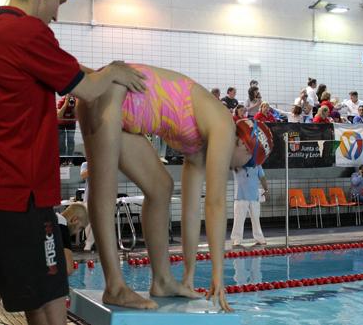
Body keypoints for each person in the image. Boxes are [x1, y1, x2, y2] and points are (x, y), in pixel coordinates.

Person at [0, 0, 147, 325]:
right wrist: (116, 70)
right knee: (49, 300)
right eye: (57, 1)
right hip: (15, 196)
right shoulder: (28, 32)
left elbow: (61, 71)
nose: (57, 13)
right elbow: (87, 89)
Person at [76, 63, 274, 312]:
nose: (240, 169)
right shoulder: (224, 124)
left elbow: (193, 211)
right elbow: (215, 204)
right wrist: (218, 276)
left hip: (122, 110)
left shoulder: (199, 148)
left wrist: (189, 275)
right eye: (246, 164)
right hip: (111, 92)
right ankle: (115, 286)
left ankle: (163, 281)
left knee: (161, 187)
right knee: (104, 185)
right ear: (246, 147)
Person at [230, 165, 269, 247]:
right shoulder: (237, 163)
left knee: (256, 219)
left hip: (254, 196)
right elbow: (230, 165)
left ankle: (259, 239)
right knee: (238, 220)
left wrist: (266, 190)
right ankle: (236, 239)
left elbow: (262, 177)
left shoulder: (257, 164)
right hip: (240, 196)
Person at [79, 161, 95, 251]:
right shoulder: (85, 164)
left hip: (101, 197)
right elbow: (83, 176)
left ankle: (89, 242)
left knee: (96, 221)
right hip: (88, 197)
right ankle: (89, 241)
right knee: (88, 223)